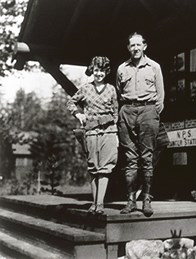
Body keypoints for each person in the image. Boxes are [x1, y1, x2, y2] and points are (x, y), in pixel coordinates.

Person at [117, 32, 165, 216]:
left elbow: (161, 98)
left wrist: (150, 112)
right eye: (132, 45)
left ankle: (146, 199)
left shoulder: (154, 67)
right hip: (127, 111)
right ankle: (130, 200)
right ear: (128, 48)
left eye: (138, 45)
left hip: (148, 111)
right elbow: (120, 91)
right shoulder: (122, 68)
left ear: (145, 46)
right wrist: (126, 111)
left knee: (147, 158)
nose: (135, 48)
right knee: (130, 159)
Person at [67, 56, 118, 214]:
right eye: (96, 70)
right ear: (92, 71)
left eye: (102, 71)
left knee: (105, 168)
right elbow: (71, 102)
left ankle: (100, 204)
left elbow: (115, 112)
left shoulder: (111, 89)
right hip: (91, 131)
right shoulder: (85, 88)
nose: (99, 74)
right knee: (93, 168)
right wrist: (78, 114)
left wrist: (115, 134)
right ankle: (94, 203)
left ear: (106, 72)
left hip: (108, 131)